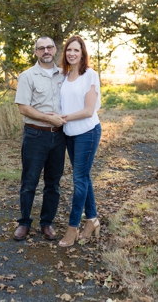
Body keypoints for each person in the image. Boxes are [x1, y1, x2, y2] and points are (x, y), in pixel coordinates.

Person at [13, 36, 67, 241]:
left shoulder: (65, 75)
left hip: (59, 137)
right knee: (29, 182)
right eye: (41, 48)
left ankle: (47, 223)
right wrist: (48, 119)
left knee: (53, 183)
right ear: (35, 52)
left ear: (55, 50)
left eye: (49, 47)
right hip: (35, 135)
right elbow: (23, 108)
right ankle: (24, 223)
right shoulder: (27, 76)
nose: (46, 51)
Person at [55, 35, 103, 247]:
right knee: (83, 177)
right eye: (68, 50)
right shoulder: (64, 76)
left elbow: (88, 110)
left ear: (83, 53)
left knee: (79, 179)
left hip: (87, 131)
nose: (72, 53)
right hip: (69, 133)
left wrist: (62, 118)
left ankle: (72, 228)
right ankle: (92, 220)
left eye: (76, 50)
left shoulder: (90, 75)